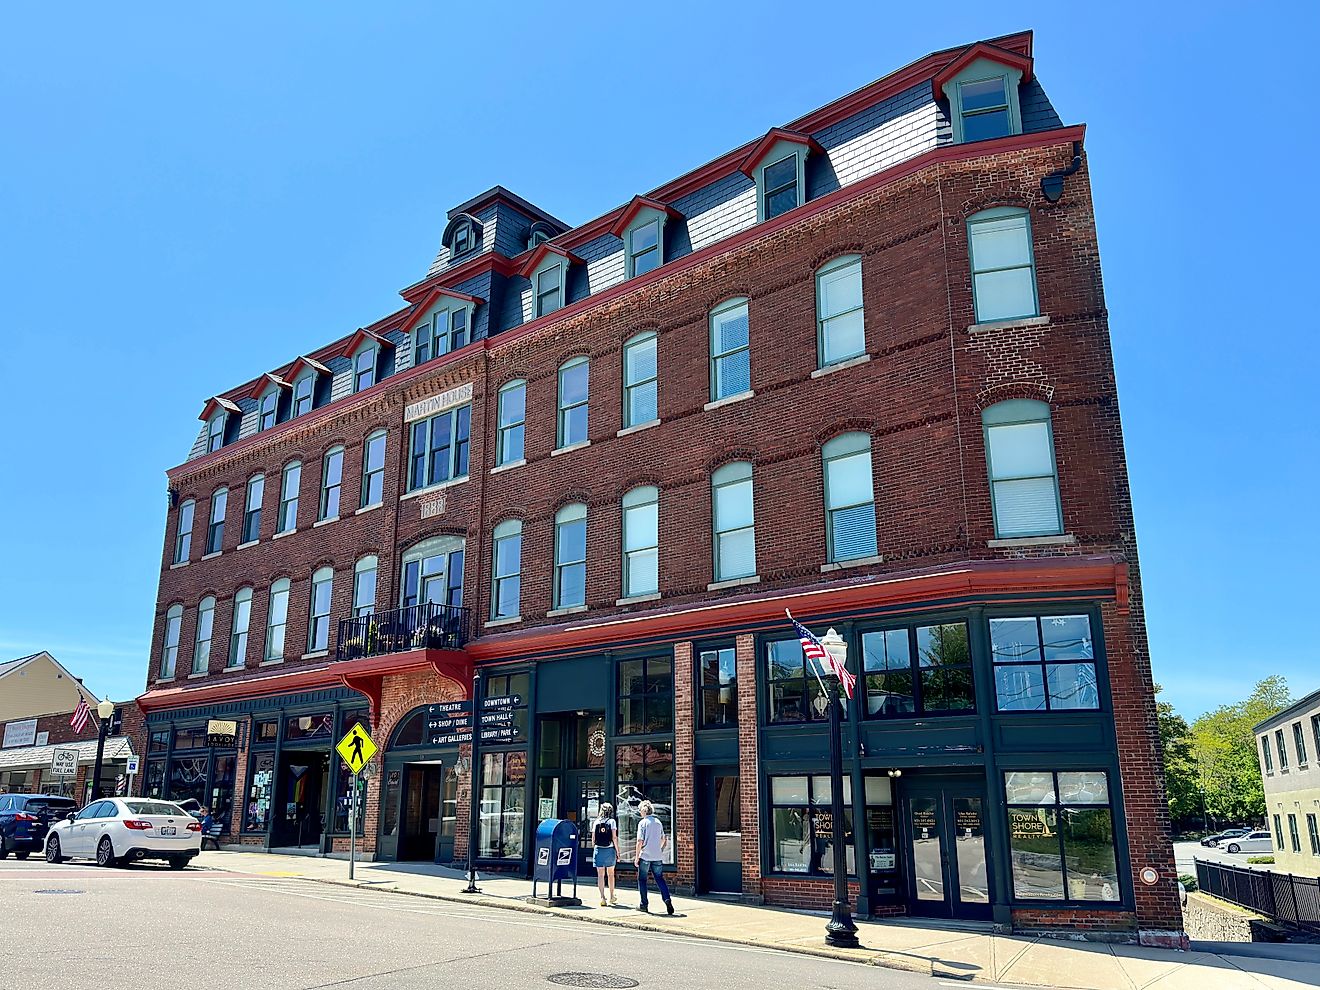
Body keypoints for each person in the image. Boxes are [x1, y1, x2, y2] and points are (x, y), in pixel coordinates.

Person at [633, 800, 673, 915]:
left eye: (640, 810)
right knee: (660, 878)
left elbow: (639, 841)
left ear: (644, 811)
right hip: (657, 855)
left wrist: (637, 857)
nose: (640, 812)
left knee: (642, 880)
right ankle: (667, 899)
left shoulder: (643, 823)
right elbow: (663, 839)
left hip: (645, 855)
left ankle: (643, 904)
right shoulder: (658, 822)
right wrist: (658, 849)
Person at [591, 802, 620, 907]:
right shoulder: (612, 821)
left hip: (599, 849)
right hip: (609, 850)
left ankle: (602, 897)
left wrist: (595, 846)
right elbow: (614, 837)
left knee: (600, 875)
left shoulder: (596, 822)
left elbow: (593, 839)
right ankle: (612, 896)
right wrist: (617, 851)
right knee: (611, 874)